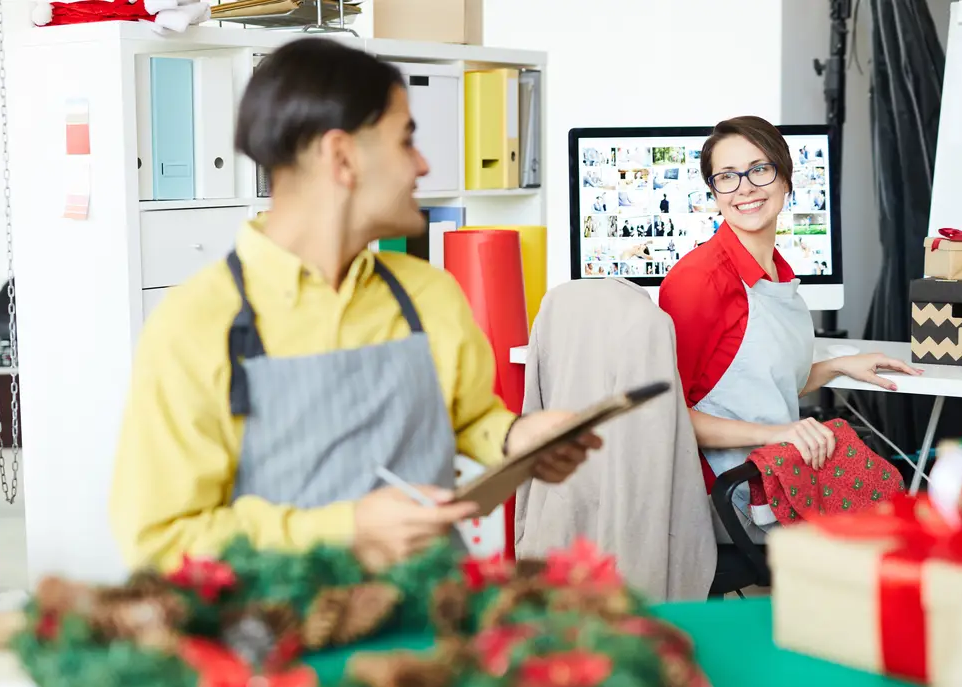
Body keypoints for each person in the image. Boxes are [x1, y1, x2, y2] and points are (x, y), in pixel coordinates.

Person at [109, 39, 600, 573]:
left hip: (427, 623)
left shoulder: (428, 295)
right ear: (341, 157)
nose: (422, 164)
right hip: (277, 639)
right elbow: (160, 542)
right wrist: (345, 531)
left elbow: (470, 418)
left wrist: (516, 438)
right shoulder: (195, 324)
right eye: (406, 140)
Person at [658, 116, 919, 539]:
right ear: (713, 192)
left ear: (785, 179)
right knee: (877, 542)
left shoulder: (778, 273)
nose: (744, 187)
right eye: (726, 176)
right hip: (726, 493)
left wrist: (840, 366)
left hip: (774, 469)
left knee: (897, 519)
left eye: (759, 169)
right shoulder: (699, 281)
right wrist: (782, 432)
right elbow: (668, 416)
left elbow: (748, 389)